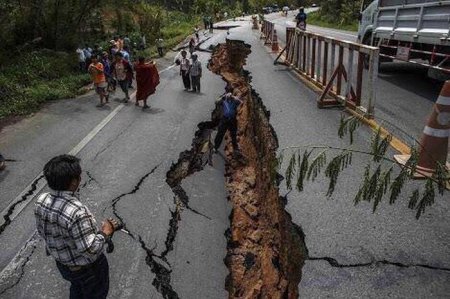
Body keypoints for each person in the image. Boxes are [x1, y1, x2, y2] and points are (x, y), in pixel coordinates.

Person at [35, 155, 120, 299]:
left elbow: (43, 232)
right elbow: (90, 249)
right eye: (79, 177)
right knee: (95, 294)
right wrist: (105, 232)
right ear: (74, 181)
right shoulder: (77, 212)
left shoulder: (41, 200)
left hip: (64, 266)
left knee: (77, 289)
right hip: (88, 270)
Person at [214, 86, 243, 154]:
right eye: (228, 93)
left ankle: (235, 149)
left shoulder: (235, 100)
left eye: (230, 93)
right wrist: (223, 97)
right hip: (224, 119)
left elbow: (241, 103)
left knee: (233, 134)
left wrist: (234, 98)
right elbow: (216, 102)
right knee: (220, 133)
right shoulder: (223, 100)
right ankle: (216, 147)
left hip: (232, 120)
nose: (229, 95)